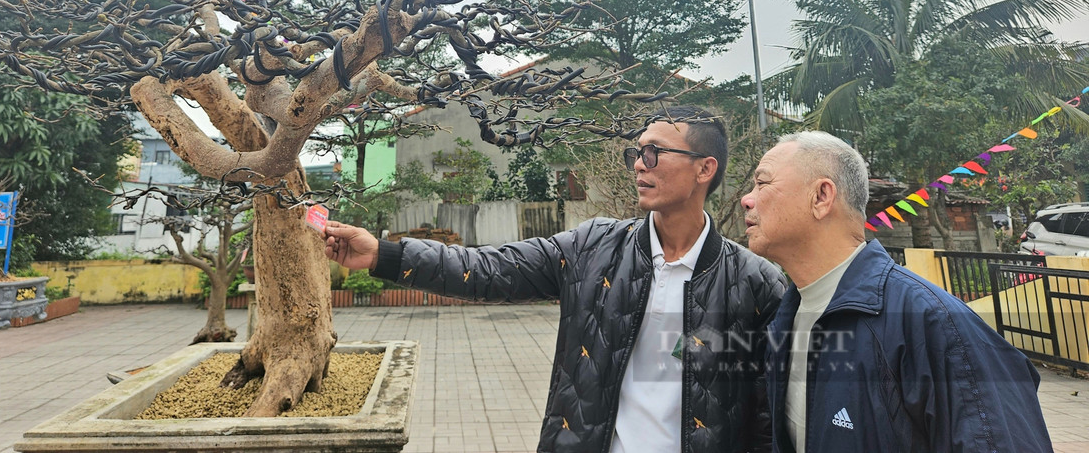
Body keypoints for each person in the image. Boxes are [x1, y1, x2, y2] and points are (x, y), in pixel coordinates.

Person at [324, 104, 786, 453]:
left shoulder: (754, 282)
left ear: (705, 168)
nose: (639, 164)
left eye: (654, 152)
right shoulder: (593, 248)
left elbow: (765, 418)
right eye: (636, 153)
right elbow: (488, 270)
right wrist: (385, 255)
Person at [740, 131, 1054, 453]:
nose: (747, 199)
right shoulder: (785, 318)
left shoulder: (937, 325)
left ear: (821, 197)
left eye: (762, 184)